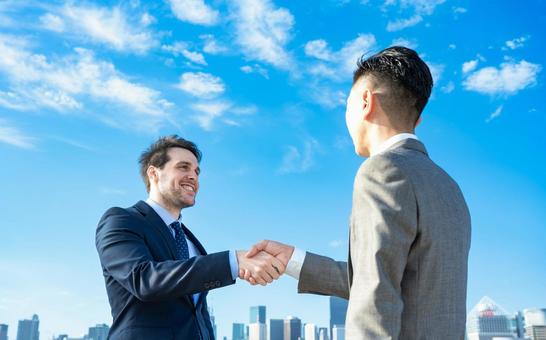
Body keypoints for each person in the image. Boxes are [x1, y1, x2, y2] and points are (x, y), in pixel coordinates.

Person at [245, 46, 471, 339]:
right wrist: (294, 260)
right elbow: (388, 278)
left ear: (365, 101)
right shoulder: (449, 187)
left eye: (346, 104)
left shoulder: (382, 170)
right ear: (417, 121)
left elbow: (376, 298)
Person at [95, 136, 285, 340]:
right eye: (183, 167)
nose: (193, 177)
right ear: (154, 173)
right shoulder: (121, 219)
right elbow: (144, 279)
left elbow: (196, 314)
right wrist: (233, 261)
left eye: (196, 171)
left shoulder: (190, 242)